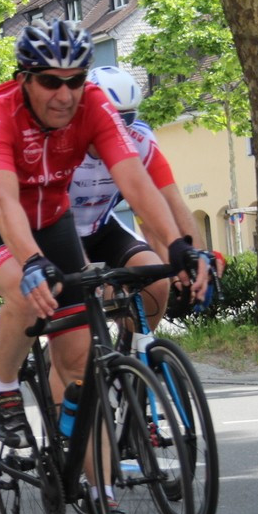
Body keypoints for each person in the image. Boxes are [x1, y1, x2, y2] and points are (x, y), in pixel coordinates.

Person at [0, 19, 201, 514]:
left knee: (83, 365)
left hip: (54, 222)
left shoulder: (93, 107)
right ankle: (3, 390)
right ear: (25, 78)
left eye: (75, 80)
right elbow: (0, 200)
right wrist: (32, 258)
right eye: (50, 81)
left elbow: (135, 181)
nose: (64, 94)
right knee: (26, 284)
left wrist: (178, 246)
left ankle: (99, 492)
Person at [69, 65, 210, 331]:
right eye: (111, 118)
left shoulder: (139, 139)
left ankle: (132, 355)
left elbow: (171, 200)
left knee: (155, 282)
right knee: (88, 299)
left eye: (128, 119)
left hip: (100, 227)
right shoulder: (65, 141)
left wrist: (197, 257)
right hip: (59, 230)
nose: (117, 129)